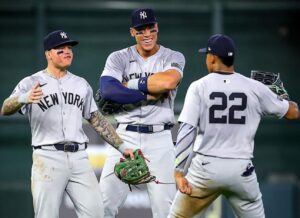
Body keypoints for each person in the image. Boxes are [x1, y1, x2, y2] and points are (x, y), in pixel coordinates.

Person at [1, 30, 134, 218]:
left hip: (79, 158)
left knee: (96, 213)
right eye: (60, 49)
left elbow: (96, 119)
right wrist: (23, 98)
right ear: (48, 53)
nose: (67, 51)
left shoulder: (81, 84)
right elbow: (5, 108)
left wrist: (122, 147)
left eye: (69, 48)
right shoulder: (31, 82)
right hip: (47, 157)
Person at [168, 34, 299, 218]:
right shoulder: (255, 87)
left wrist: (179, 173)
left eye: (207, 54)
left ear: (212, 58)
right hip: (241, 169)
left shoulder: (199, 86)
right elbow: (293, 113)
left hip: (206, 169)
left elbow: (187, 131)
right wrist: (281, 95)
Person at [98, 8, 185, 218]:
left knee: (166, 211)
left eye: (150, 28)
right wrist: (145, 95)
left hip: (160, 139)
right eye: (140, 30)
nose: (147, 34)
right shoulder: (119, 57)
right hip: (125, 137)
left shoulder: (173, 56)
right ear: (132, 32)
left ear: (157, 28)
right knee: (101, 207)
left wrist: (129, 85)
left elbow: (168, 81)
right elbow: (108, 89)